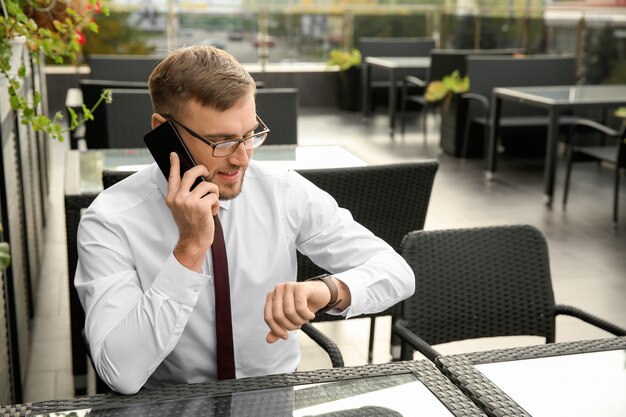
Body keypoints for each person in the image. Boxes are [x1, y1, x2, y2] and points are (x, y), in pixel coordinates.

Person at [75, 45, 415, 395]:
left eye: (250, 135)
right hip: (170, 402)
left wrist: (327, 290)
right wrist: (189, 248)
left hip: (275, 396)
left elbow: (397, 272)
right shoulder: (111, 220)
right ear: (164, 131)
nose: (242, 159)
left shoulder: (282, 191)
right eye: (221, 141)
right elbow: (120, 374)